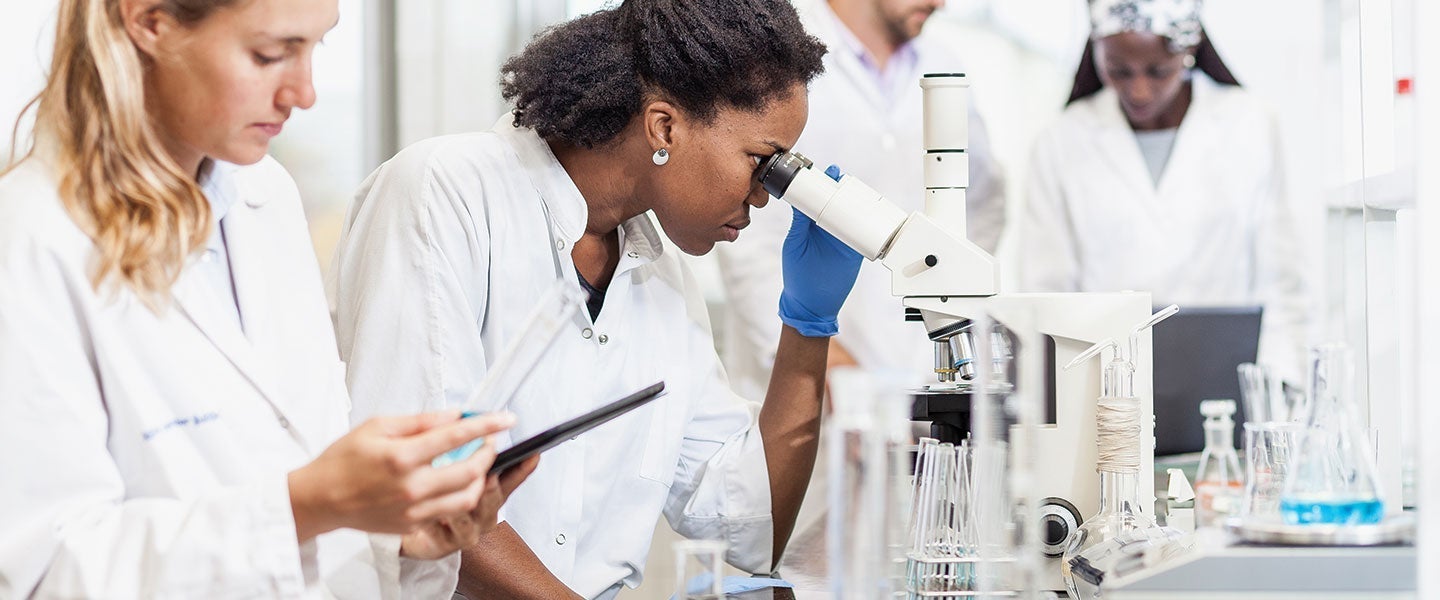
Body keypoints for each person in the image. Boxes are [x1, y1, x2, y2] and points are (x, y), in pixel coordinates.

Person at [324, 0, 863, 597]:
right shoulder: (443, 192)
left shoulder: (659, 273)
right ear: (663, 128)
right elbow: (422, 492)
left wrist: (808, 326)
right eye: (761, 162)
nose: (763, 197)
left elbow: (750, 530)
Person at [0, 0, 534, 597]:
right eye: (271, 54)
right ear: (150, 22)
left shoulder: (264, 195)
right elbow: (43, 575)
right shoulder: (31, 241)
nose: (304, 93)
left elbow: (295, 471)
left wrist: (398, 534)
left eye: (316, 47)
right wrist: (308, 505)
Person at [714, 0, 1008, 400]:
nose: (942, 4)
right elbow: (743, 232)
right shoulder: (777, 55)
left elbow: (983, 207)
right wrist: (825, 360)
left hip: (919, 368)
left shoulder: (944, 66)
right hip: (802, 373)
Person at [1019, 0, 1308, 376]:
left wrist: (1281, 387)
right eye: (1119, 71)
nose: (1139, 91)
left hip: (1226, 379)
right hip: (1103, 383)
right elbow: (1046, 289)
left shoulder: (1250, 125)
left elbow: (1285, 279)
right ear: (1096, 53)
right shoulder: (1060, 141)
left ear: (1189, 50)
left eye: (1158, 71)